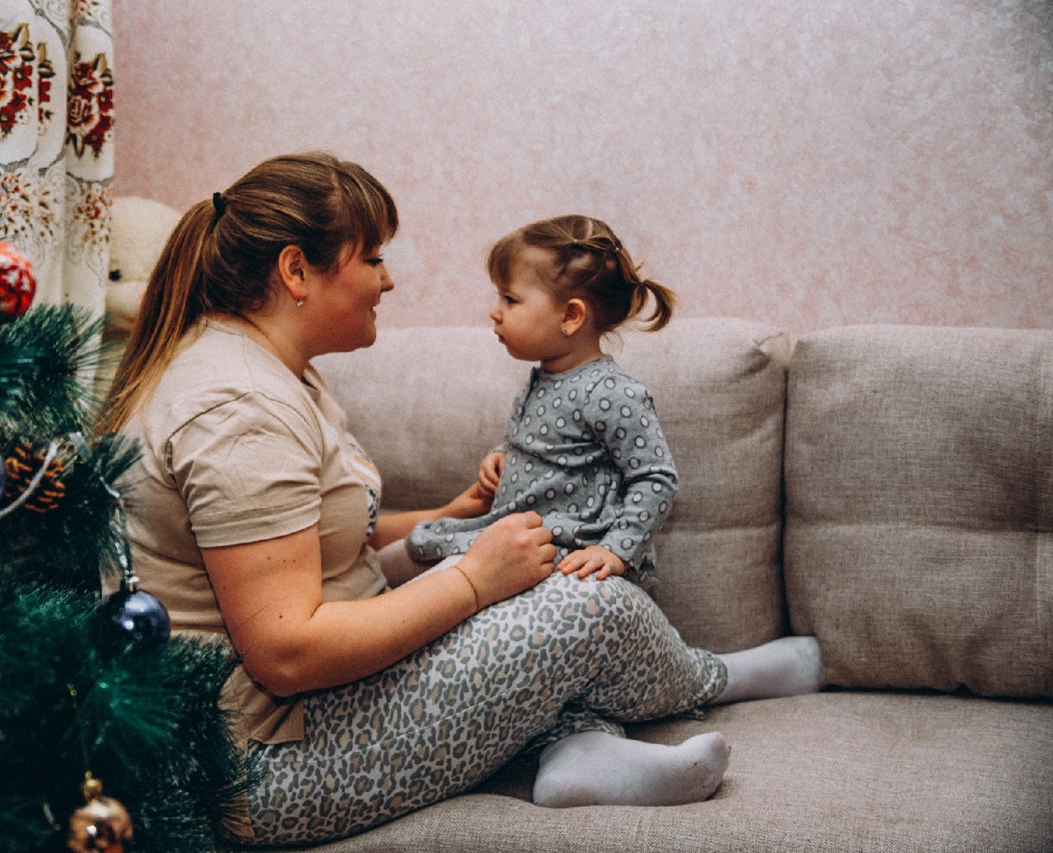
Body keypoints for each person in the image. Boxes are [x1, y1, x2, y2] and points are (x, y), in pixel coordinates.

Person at [103, 152, 822, 847]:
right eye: (374, 256)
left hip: (295, 717)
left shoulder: (274, 374)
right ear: (297, 270)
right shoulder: (239, 406)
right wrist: (476, 578)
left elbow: (309, 543)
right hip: (262, 766)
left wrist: (456, 524)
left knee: (535, 574)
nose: (387, 281)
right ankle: (718, 676)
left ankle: (579, 750)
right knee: (588, 601)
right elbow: (287, 650)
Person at [403, 215, 678, 586]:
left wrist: (615, 550)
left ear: (570, 316)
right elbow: (544, 445)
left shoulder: (612, 392)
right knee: (412, 548)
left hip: (567, 546)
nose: (494, 310)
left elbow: (656, 476)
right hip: (514, 537)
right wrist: (502, 456)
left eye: (510, 298)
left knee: (435, 583)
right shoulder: (544, 379)